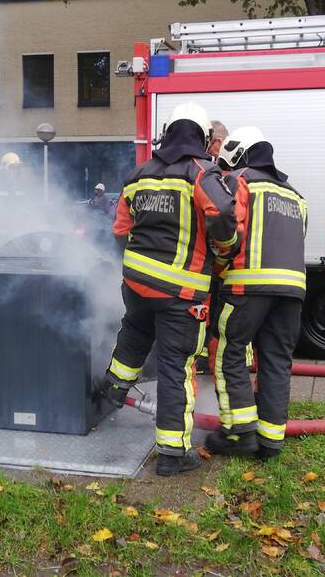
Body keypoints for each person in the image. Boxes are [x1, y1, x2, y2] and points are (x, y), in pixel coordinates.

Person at [101, 101, 238, 476]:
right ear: (200, 135)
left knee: (134, 335)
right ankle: (173, 453)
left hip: (137, 284)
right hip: (181, 294)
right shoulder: (201, 173)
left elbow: (118, 231)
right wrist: (224, 251)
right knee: (176, 367)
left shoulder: (138, 175)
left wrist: (133, 266)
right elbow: (223, 214)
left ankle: (111, 392)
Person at [204, 127, 307, 460]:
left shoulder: (240, 181)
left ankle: (239, 434)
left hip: (247, 286)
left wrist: (219, 263)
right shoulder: (295, 194)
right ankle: (270, 441)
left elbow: (227, 225)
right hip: (292, 292)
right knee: (276, 360)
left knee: (227, 352)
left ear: (237, 152)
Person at [197, 120, 230, 375]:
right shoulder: (210, 172)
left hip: (212, 263)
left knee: (211, 317)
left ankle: (207, 363)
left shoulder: (213, 173)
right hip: (214, 264)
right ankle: (208, 363)